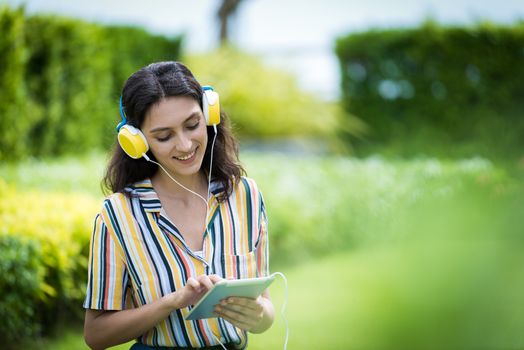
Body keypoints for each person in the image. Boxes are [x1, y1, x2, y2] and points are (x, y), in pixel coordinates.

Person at [83, 61, 274, 350]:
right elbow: (96, 335)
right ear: (137, 141)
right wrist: (173, 302)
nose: (185, 145)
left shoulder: (245, 195)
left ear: (209, 116)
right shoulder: (117, 215)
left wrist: (258, 314)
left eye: (192, 125)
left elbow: (266, 313)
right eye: (164, 136)